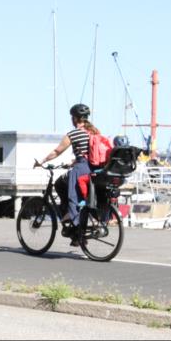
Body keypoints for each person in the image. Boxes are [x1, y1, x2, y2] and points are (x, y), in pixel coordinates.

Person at [36, 103, 100, 246]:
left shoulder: (74, 133)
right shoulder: (94, 132)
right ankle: (74, 223)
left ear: (75, 118)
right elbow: (90, 154)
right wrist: (72, 162)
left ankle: (72, 221)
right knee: (77, 193)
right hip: (93, 168)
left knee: (65, 189)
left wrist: (42, 161)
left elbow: (57, 151)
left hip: (81, 169)